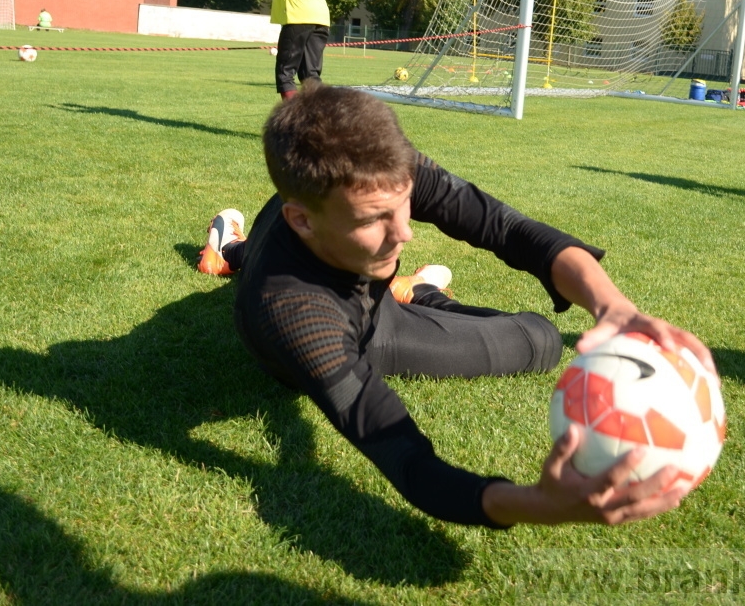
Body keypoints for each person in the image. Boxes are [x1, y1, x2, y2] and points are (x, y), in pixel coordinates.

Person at [197, 84, 716, 528]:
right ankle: (235, 252)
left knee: (542, 336)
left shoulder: (378, 174)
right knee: (536, 341)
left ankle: (402, 288)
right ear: (304, 218)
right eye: (375, 220)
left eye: (405, 206)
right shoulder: (299, 314)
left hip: (323, 255)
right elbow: (404, 457)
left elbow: (507, 228)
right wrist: (535, 504)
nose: (404, 233)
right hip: (354, 326)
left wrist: (613, 307)